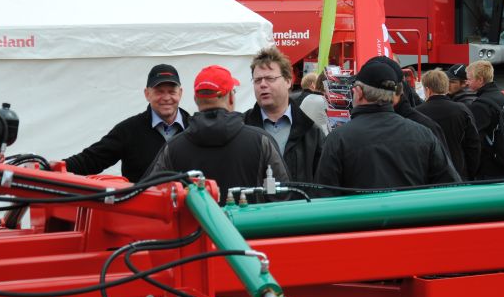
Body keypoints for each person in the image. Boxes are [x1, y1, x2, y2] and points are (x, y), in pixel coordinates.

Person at [315, 59, 460, 297]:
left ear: (358, 93)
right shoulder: (422, 136)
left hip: (352, 265)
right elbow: (452, 194)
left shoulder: (339, 139)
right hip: (408, 261)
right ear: (395, 96)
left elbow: (324, 206)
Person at [145, 65, 288, 205]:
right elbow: (284, 199)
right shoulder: (261, 141)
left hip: (194, 222)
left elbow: (149, 197)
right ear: (231, 97)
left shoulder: (173, 147)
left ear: (195, 99)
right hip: (250, 221)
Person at [64, 64, 190, 182]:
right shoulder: (128, 130)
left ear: (180, 93)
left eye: (171, 92)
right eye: (159, 92)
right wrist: (56, 167)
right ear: (147, 94)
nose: (166, 98)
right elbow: (91, 160)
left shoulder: (194, 129)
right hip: (140, 199)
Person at [244, 48, 324, 183]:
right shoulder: (242, 127)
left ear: (288, 81)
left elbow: (321, 185)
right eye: (257, 80)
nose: (262, 85)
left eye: (270, 78)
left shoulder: (312, 133)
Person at [417, 69, 480, 180]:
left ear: (427, 90)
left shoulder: (417, 113)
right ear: (446, 88)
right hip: (458, 171)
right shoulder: (461, 110)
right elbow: (473, 144)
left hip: (428, 173)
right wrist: (470, 172)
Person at [467, 60, 504, 180]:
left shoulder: (480, 105)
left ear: (480, 80)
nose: (467, 82)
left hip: (488, 167)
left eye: (470, 79)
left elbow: (474, 138)